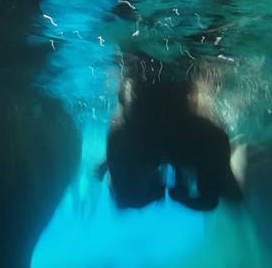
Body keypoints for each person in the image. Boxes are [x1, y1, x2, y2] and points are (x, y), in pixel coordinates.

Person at [97, 68, 246, 211]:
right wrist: (179, 197)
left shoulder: (208, 135)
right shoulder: (122, 137)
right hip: (174, 137)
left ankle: (234, 151)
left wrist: (157, 193)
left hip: (171, 138)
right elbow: (209, 200)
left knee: (232, 193)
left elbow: (210, 200)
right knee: (229, 193)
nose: (159, 120)